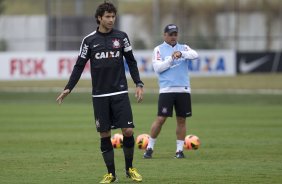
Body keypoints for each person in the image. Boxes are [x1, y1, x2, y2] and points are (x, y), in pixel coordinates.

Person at [56, 2, 144, 183]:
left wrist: (138, 83)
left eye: (113, 17)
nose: (111, 20)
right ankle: (111, 174)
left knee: (127, 131)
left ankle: (130, 169)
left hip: (120, 92)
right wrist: (68, 88)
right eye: (107, 17)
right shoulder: (89, 41)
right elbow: (79, 66)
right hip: (99, 95)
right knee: (105, 134)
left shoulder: (122, 37)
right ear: (99, 18)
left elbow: (132, 62)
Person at [143, 24, 198, 159]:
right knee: (161, 119)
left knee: (181, 120)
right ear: (165, 35)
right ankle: (149, 148)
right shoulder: (159, 49)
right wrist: (171, 59)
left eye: (175, 34)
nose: (173, 37)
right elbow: (158, 68)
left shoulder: (183, 47)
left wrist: (182, 54)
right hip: (167, 90)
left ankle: (179, 151)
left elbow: (195, 55)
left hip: (183, 89)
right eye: (170, 34)